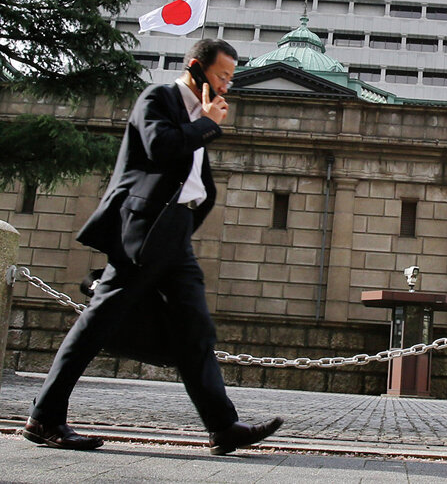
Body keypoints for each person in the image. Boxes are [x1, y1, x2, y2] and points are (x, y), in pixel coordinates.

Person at [23, 39, 284, 455]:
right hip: (145, 229)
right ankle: (45, 417)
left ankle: (223, 426)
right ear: (196, 67)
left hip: (175, 231)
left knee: (196, 328)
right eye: (221, 76)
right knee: (97, 323)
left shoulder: (198, 114)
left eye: (230, 79)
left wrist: (188, 217)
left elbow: (192, 179)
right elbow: (160, 148)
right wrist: (207, 124)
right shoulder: (158, 98)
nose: (226, 86)